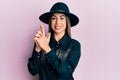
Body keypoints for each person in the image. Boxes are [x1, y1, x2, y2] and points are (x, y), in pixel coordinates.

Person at [27, 2, 81, 80]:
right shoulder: (42, 41)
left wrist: (47, 49)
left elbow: (66, 71)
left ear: (67, 22)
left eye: (62, 18)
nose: (57, 22)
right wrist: (37, 50)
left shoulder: (74, 45)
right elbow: (33, 71)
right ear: (50, 21)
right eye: (54, 18)